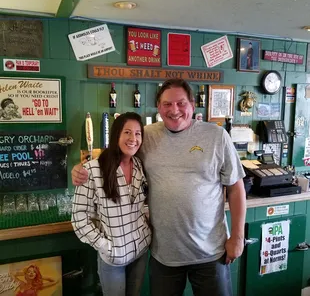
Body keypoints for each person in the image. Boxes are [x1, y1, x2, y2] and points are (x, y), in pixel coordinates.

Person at [72, 79, 246, 296]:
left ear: (192, 104)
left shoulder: (217, 136)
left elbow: (236, 187)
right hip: (164, 255)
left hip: (211, 253)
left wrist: (237, 237)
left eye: (181, 103)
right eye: (167, 104)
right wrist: (82, 168)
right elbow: (118, 153)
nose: (174, 110)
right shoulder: (147, 135)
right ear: (158, 107)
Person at [71, 112, 151, 296]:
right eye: (127, 132)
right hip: (114, 257)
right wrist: (104, 245)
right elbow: (79, 217)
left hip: (140, 250)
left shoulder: (139, 164)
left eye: (138, 133)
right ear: (116, 135)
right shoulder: (92, 169)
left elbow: (142, 203)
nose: (133, 139)